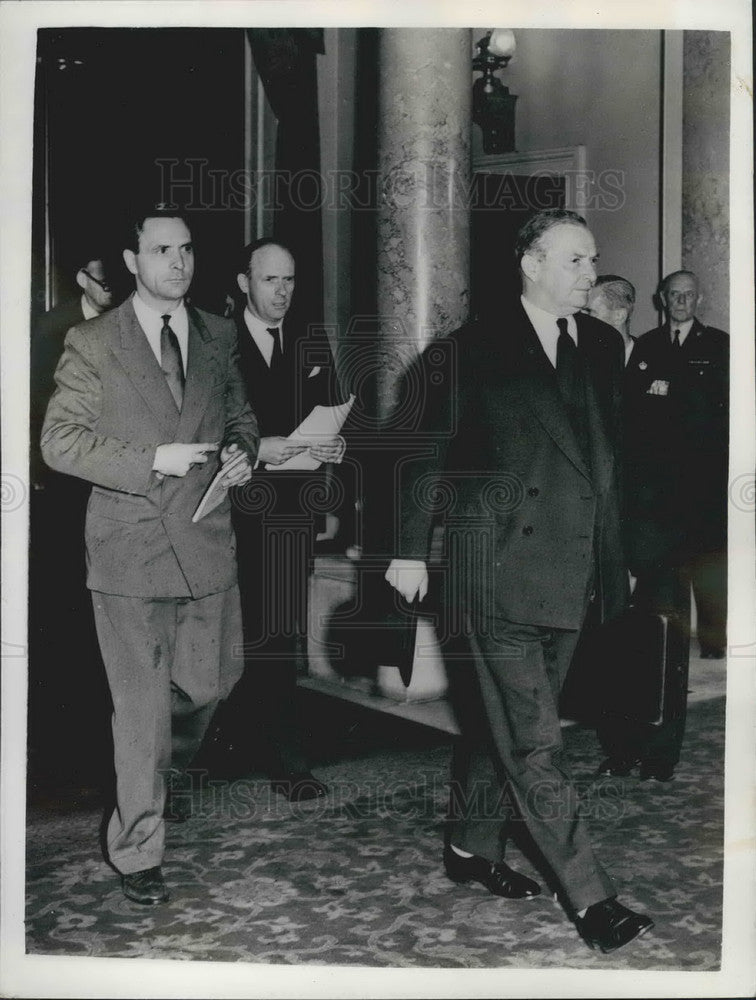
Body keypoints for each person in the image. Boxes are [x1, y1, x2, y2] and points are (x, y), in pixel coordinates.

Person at [385, 209, 653, 953]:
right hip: (491, 570)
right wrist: (408, 551)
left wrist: (620, 554)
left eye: (592, 258)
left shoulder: (602, 346)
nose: (590, 273)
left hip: (573, 570)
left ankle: (471, 845)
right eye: (574, 261)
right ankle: (592, 899)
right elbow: (420, 453)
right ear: (531, 265)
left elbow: (612, 464)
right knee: (536, 741)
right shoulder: (468, 350)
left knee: (501, 725)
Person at [41, 208, 259, 905]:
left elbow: (241, 418)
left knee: (211, 687)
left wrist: (243, 454)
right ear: (132, 262)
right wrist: (150, 460)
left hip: (205, 539)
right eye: (162, 250)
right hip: (129, 548)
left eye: (187, 249)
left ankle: (165, 778)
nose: (179, 262)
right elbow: (59, 443)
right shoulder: (93, 341)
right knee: (139, 711)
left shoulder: (219, 334)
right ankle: (139, 847)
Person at [201, 238, 346, 802]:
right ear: (243, 285)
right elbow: (200, 427)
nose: (282, 291)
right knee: (226, 639)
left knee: (282, 637)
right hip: (229, 511)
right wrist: (260, 448)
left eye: (289, 280)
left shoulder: (311, 339)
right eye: (269, 280)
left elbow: (332, 408)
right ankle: (207, 757)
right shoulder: (215, 342)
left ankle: (288, 760)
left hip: (292, 514)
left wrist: (334, 446)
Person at [596, 269, 729, 782]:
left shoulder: (686, 353)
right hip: (614, 519)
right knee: (617, 639)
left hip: (668, 522)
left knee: (665, 636)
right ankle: (622, 747)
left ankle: (659, 752)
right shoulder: (614, 357)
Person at [28, 254, 115, 786]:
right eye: (105, 285)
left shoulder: (125, 322)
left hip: (108, 483)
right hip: (59, 485)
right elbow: (34, 408)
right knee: (66, 611)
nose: (114, 293)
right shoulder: (50, 329)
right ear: (83, 280)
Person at [584, 275, 636, 365]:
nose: (581, 318)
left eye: (589, 311)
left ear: (619, 316)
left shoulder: (656, 360)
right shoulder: (579, 360)